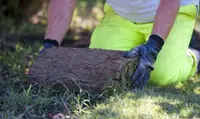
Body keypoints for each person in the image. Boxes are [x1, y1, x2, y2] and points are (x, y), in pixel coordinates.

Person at [41, 0, 200, 89]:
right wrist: (50, 44)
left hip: (176, 10)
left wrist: (153, 47)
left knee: (161, 75)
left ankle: (194, 54)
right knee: (101, 68)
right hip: (121, 16)